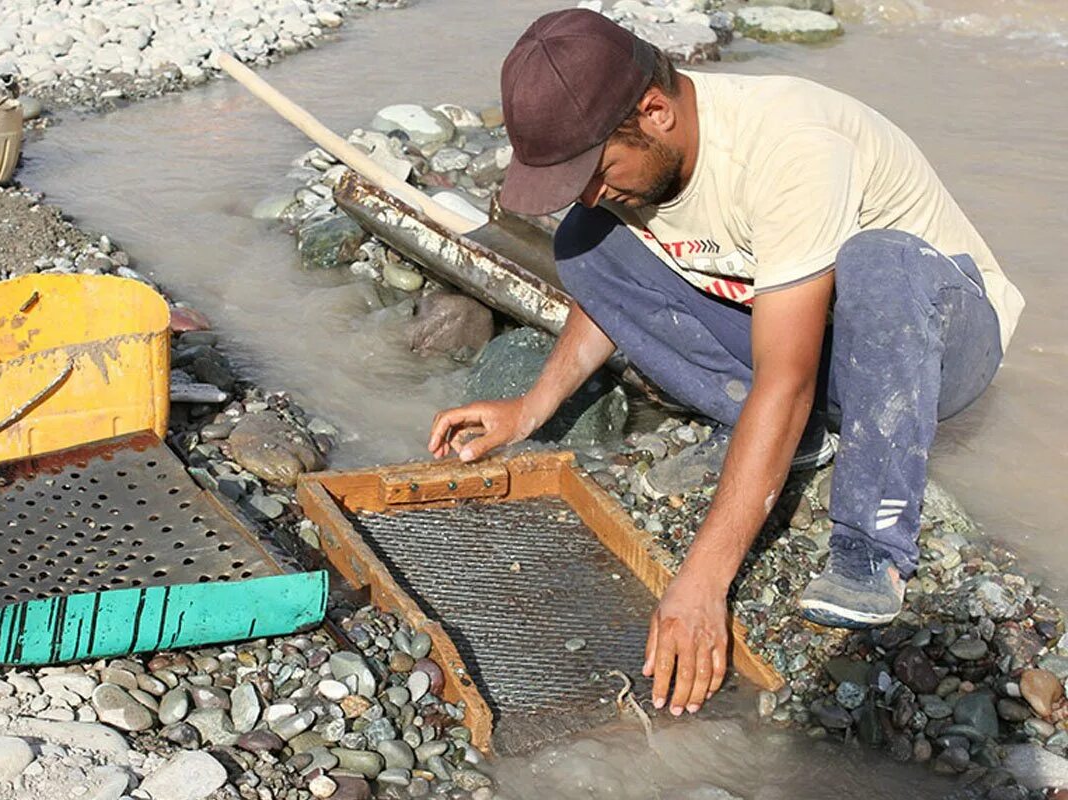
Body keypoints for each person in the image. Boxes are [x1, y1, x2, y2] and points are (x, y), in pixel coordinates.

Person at [427, 8, 1024, 717]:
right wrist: (529, 407)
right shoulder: (637, 172)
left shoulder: (788, 148)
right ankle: (797, 439)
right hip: (818, 340)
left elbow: (788, 374)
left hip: (935, 343)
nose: (589, 191)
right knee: (586, 240)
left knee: (877, 260)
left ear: (654, 112)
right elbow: (612, 293)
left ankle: (871, 547)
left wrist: (702, 582)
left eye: (594, 171)